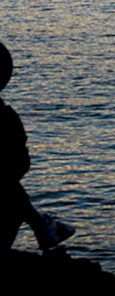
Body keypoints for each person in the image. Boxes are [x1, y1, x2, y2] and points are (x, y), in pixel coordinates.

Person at [0, 42, 75, 250]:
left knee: (7, 185)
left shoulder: (5, 120)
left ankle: (41, 224)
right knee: (7, 185)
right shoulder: (6, 120)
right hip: (4, 214)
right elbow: (20, 165)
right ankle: (41, 225)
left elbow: (18, 166)